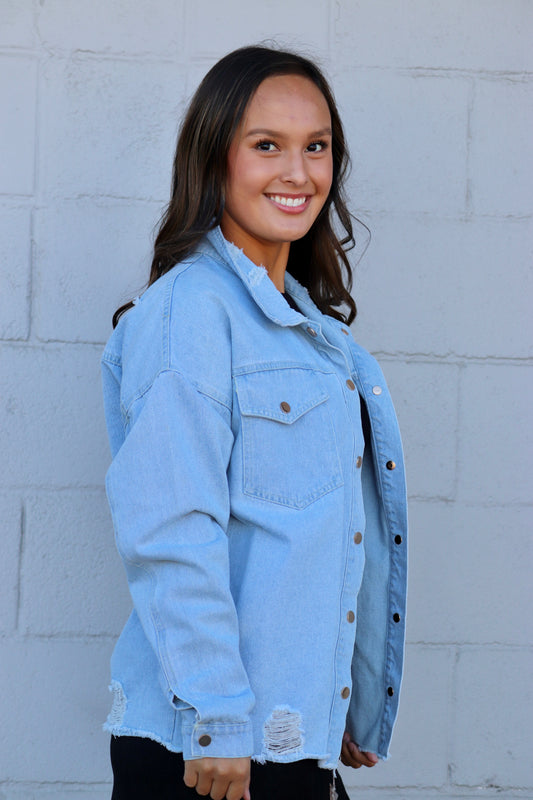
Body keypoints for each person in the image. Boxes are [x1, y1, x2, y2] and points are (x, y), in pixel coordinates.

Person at [101, 45, 408, 800]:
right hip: (209, 753)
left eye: (316, 147)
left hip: (278, 741)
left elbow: (315, 546)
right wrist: (215, 717)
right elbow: (171, 529)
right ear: (216, 158)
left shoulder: (313, 332)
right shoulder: (188, 314)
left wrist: (334, 700)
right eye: (265, 145)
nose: (296, 173)